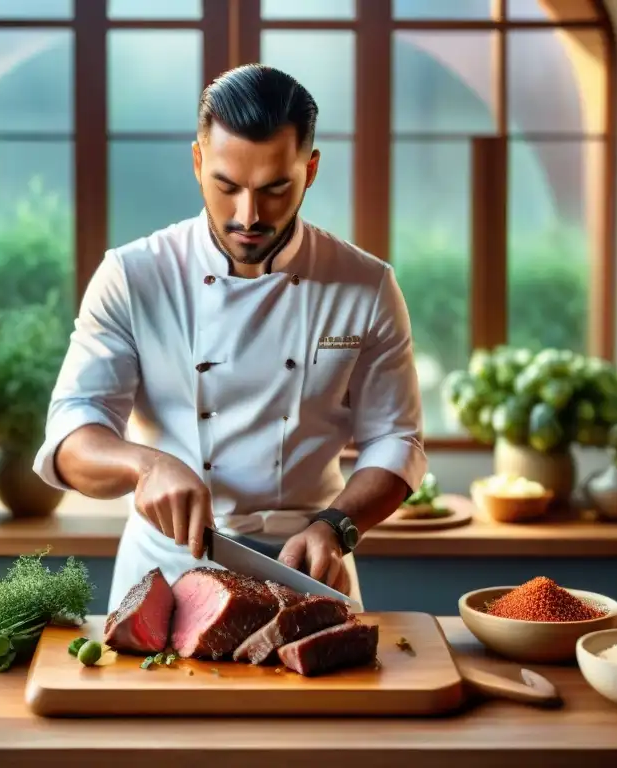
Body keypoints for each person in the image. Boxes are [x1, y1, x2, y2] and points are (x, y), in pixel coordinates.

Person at [33, 63, 427, 612]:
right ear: (198, 162)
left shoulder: (366, 285)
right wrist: (145, 466)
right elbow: (73, 434)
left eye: (274, 188)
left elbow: (396, 440)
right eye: (227, 186)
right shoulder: (133, 275)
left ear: (310, 171)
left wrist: (337, 527)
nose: (249, 215)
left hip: (310, 567)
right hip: (167, 573)